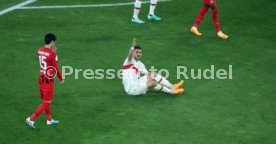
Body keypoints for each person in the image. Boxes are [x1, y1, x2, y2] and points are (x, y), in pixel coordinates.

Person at [25, 33, 64, 129]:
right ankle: (31, 119)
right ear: (51, 42)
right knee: (47, 102)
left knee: (46, 100)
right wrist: (61, 78)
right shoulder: (53, 54)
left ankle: (49, 119)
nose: (54, 44)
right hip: (48, 80)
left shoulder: (39, 50)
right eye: (54, 42)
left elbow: (46, 55)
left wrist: (52, 52)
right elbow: (56, 68)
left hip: (41, 77)